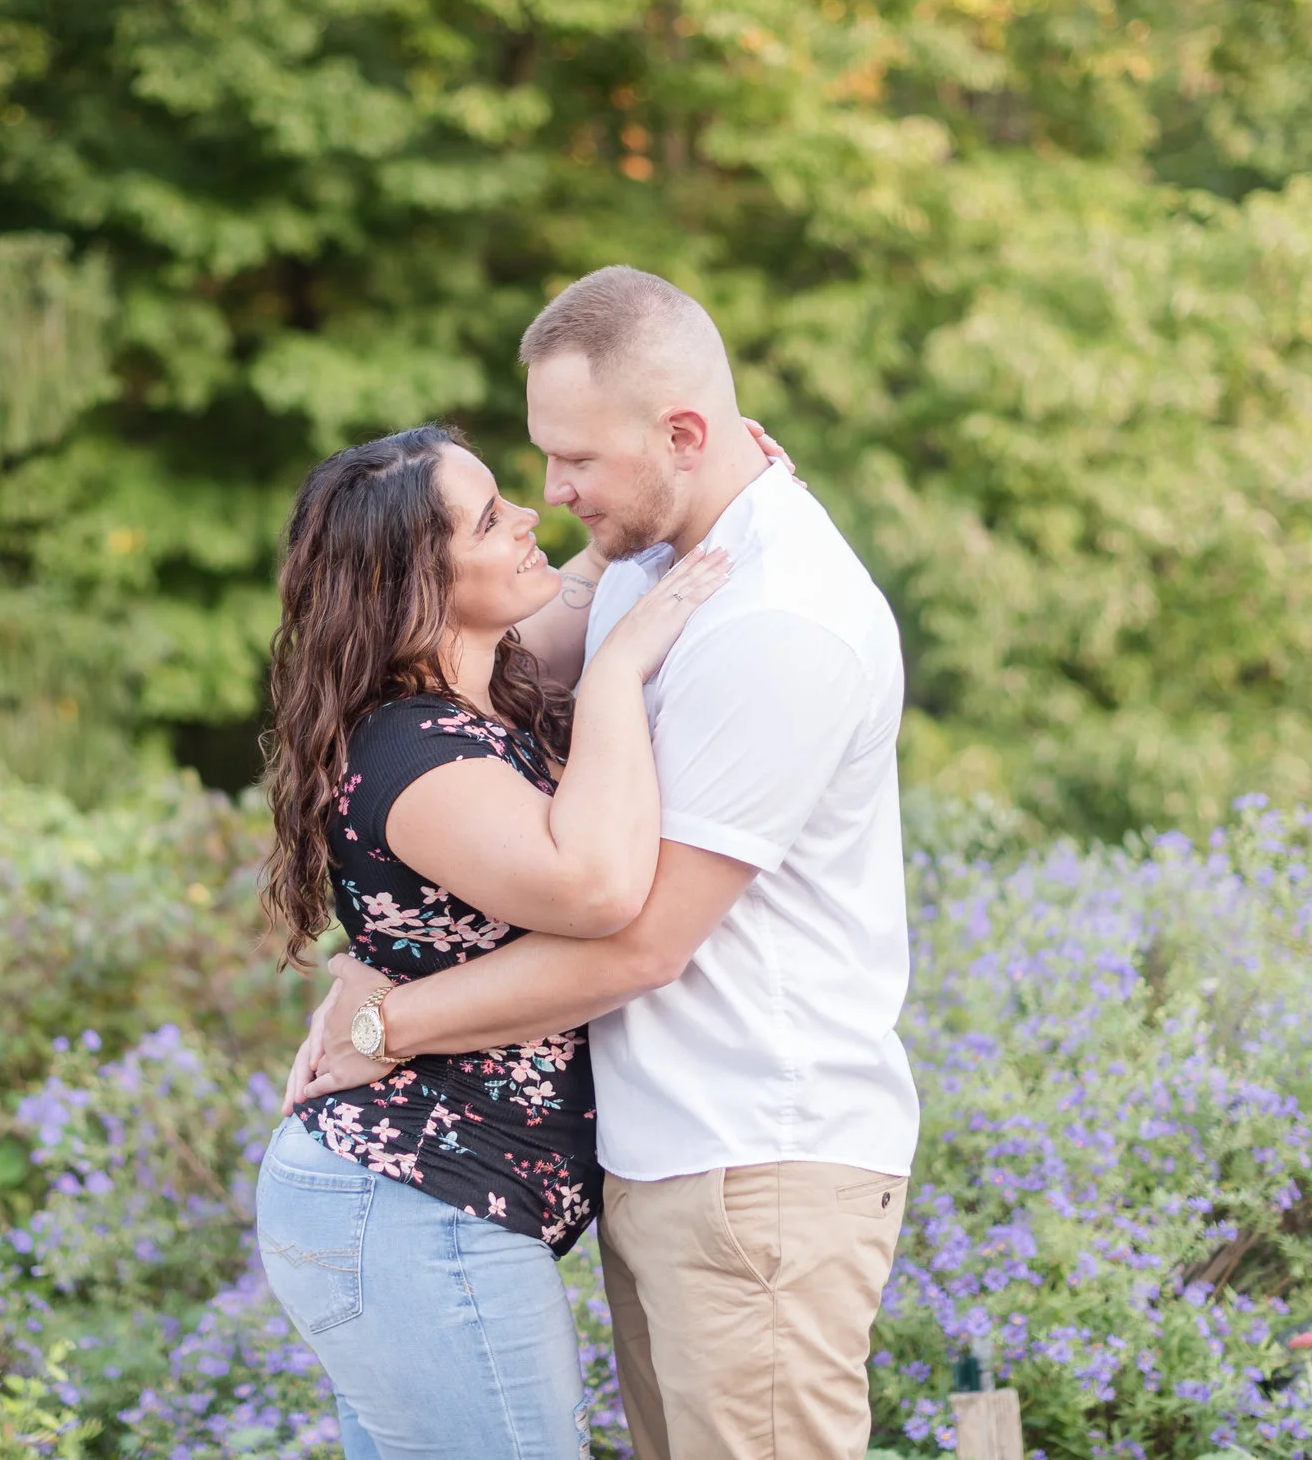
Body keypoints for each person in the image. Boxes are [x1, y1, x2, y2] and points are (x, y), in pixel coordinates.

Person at [288, 266, 923, 1460]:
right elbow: (444, 689)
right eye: (538, 460)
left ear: (683, 435)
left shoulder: (775, 620)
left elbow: (638, 937)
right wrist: (365, 967)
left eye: (575, 459)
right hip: (665, 1155)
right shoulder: (652, 558)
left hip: (753, 1155)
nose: (553, 492)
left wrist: (384, 1022)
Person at [252, 421, 733, 1459]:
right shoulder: (415, 752)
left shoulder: (487, 690)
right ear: (414, 585)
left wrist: (699, 475)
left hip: (426, 1204)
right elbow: (597, 888)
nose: (526, 515)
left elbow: (578, 581)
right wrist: (618, 671)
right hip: (411, 1201)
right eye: (486, 519)